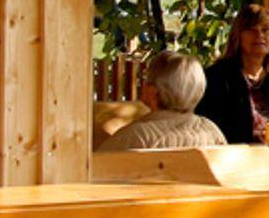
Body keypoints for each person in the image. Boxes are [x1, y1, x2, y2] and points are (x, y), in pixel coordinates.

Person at [196, 2, 269, 145]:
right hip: (232, 155)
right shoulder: (217, 78)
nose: (259, 35)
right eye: (251, 30)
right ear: (238, 36)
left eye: (265, 30)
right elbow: (208, 129)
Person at [97, 51, 226, 151]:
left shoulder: (137, 136)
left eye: (146, 78)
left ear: (153, 91)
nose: (143, 83)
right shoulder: (211, 130)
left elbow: (94, 168)